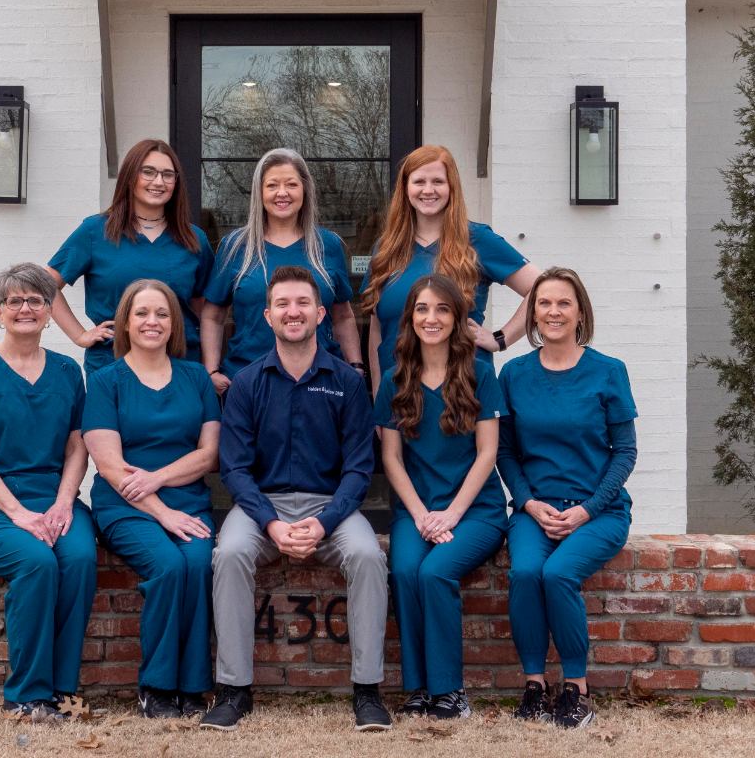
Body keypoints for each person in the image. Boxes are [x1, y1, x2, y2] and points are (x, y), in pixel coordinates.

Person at [201, 265, 391, 732]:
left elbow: (359, 468)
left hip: (331, 507)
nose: (293, 311)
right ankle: (233, 690)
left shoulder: (346, 382)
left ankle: (367, 691)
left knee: (368, 555)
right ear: (266, 315)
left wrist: (325, 522)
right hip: (262, 507)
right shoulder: (246, 383)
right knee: (228, 554)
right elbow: (235, 469)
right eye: (283, 304)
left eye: (303, 303)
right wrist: (271, 523)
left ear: (321, 313)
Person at [0, 263, 97, 718]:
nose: (25, 308)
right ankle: (27, 696)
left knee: (82, 558)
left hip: (52, 497)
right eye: (15, 301)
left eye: (36, 301)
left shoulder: (68, 371)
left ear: (50, 312)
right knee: (36, 561)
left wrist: (65, 502)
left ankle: (62, 687)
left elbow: (76, 444)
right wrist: (19, 515)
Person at [496, 267, 637, 730]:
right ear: (533, 313)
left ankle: (577, 688)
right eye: (544, 303)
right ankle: (535, 685)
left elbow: (625, 453)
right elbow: (506, 451)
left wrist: (587, 510)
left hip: (598, 510)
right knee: (524, 572)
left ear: (580, 313)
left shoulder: (608, 372)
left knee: (557, 573)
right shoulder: (514, 374)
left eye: (563, 303)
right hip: (534, 509)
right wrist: (528, 502)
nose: (553, 311)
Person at [81, 280, 221, 719]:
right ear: (125, 321)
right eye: (141, 313)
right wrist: (162, 511)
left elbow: (209, 453)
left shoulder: (196, 377)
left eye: (161, 314)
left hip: (189, 501)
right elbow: (108, 464)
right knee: (168, 565)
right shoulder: (106, 381)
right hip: (126, 506)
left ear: (174, 323)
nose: (151, 322)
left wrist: (159, 479)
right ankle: (157, 686)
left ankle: (192, 685)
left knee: (198, 564)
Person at [375, 274, 508, 720]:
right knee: (406, 569)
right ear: (410, 318)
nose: (431, 319)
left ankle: (450, 691)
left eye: (442, 310)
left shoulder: (481, 375)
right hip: (417, 510)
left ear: (457, 318)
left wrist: (450, 515)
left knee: (435, 574)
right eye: (422, 309)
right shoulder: (395, 379)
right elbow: (391, 459)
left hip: (476, 511)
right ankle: (418, 688)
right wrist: (421, 516)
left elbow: (488, 452)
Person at [360, 145, 538, 384]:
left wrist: (501, 338)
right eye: (419, 181)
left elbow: (542, 288)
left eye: (438, 181)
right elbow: (377, 330)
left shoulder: (477, 239)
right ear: (405, 188)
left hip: (463, 394)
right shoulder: (386, 248)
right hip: (399, 395)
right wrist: (378, 397)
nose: (428, 190)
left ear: (451, 186)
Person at [201, 148, 361, 396]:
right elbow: (213, 316)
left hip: (322, 384)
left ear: (304, 190)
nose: (282, 193)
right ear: (260, 192)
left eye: (291, 184)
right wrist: (211, 372)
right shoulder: (235, 247)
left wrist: (355, 366)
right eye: (272, 185)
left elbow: (343, 316)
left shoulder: (327, 245)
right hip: (250, 383)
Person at [47, 139, 214, 375]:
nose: (159, 181)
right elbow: (45, 285)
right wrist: (80, 335)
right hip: (112, 365)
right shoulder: (96, 231)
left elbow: (202, 309)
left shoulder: (194, 239)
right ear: (130, 176)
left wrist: (210, 368)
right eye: (148, 172)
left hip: (180, 365)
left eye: (168, 174)